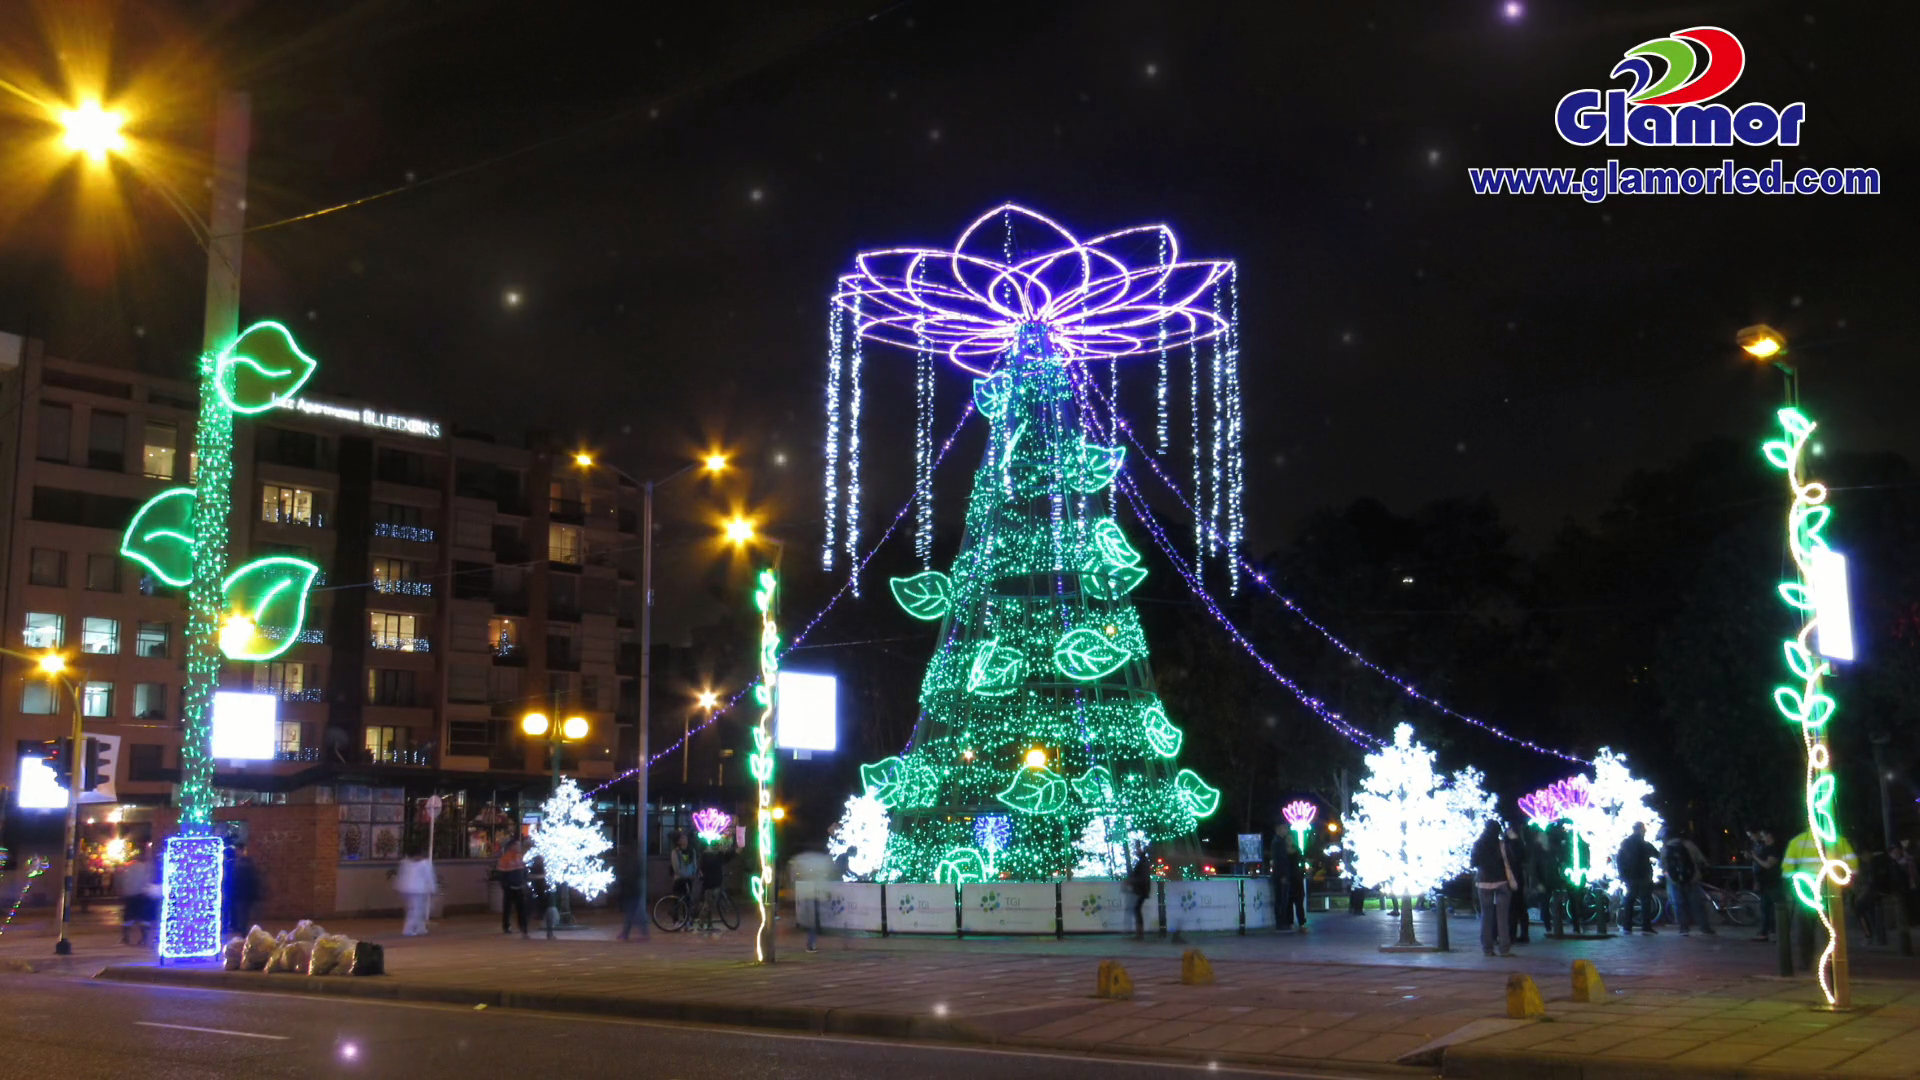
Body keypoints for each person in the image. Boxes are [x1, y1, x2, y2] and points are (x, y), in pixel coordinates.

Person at [1471, 819, 1515, 956]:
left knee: (1486, 915)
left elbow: (1473, 862)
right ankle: (1504, 948)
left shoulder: (1478, 844)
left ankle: (1487, 948)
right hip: (1501, 882)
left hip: (1484, 882)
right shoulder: (1501, 844)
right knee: (1502, 917)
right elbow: (1512, 860)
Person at [1661, 827, 1714, 936]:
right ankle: (1705, 927)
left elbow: (1662, 865)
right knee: (1697, 904)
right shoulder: (1689, 845)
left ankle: (1683, 928)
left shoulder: (1665, 848)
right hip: (1692, 879)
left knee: (1678, 904)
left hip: (1674, 881)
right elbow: (1701, 860)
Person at [1616, 823, 1660, 934]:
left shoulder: (1625, 843)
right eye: (1643, 829)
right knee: (1645, 901)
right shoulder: (1644, 844)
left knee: (1629, 900)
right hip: (1644, 875)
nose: (1645, 831)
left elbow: (1619, 859)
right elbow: (1657, 854)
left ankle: (1627, 926)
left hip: (1630, 876)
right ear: (1640, 830)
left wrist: (1622, 874)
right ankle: (1646, 926)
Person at [1748, 828, 1782, 942]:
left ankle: (1773, 932)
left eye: (1763, 836)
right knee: (1765, 908)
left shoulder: (1774, 849)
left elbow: (1768, 864)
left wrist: (1755, 857)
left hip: (1773, 883)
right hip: (1765, 883)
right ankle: (1765, 932)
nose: (1762, 839)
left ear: (1770, 836)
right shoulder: (1766, 848)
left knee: (1772, 908)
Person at [115, 850, 154, 946]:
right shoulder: (148, 867)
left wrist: (123, 891)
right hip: (144, 895)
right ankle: (144, 939)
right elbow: (150, 880)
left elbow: (124, 880)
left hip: (131, 895)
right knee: (144, 919)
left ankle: (126, 938)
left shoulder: (130, 868)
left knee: (128, 917)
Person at [395, 846, 435, 936]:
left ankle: (420, 928)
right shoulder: (425, 864)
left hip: (407, 889)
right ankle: (408, 929)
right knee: (416, 910)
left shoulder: (405, 863)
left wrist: (399, 886)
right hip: (418, 890)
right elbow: (429, 877)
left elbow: (401, 875)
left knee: (416, 909)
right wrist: (432, 888)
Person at [495, 836, 530, 937]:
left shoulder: (520, 857)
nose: (519, 847)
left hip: (518, 886)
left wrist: (524, 882)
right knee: (508, 908)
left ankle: (523, 926)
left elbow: (524, 871)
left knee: (521, 908)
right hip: (510, 888)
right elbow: (501, 874)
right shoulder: (505, 858)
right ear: (512, 847)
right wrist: (506, 886)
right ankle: (507, 926)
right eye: (517, 845)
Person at [224, 842, 261, 938]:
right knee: (243, 914)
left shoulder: (240, 864)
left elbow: (239, 879)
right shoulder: (245, 862)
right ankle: (242, 931)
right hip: (243, 893)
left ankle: (243, 934)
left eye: (237, 850)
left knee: (242, 914)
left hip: (241, 893)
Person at [1506, 825, 1532, 944]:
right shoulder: (1522, 844)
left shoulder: (1513, 844)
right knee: (1520, 907)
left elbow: (1515, 859)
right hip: (1518, 877)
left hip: (1512, 878)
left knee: (1513, 908)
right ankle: (1522, 934)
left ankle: (1513, 934)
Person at [614, 846, 645, 941]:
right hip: (633, 890)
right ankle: (642, 931)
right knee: (635, 912)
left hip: (630, 890)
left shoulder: (626, 863)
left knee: (631, 913)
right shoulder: (633, 861)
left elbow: (624, 877)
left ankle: (626, 933)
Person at [1127, 843, 1154, 940]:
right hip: (1142, 889)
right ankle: (1139, 932)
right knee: (1137, 909)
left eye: (1137, 850)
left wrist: (1132, 881)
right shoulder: (1144, 861)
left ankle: (1140, 933)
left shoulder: (1143, 862)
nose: (1136, 851)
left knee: (1137, 909)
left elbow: (1142, 877)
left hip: (1142, 889)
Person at [1268, 825, 1293, 930]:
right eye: (1284, 829)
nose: (1286, 831)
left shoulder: (1278, 842)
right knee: (1281, 899)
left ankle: (1282, 921)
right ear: (1278, 829)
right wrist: (1283, 874)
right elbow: (1280, 860)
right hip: (1281, 875)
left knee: (1281, 899)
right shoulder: (1278, 842)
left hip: (1279, 874)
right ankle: (1281, 922)